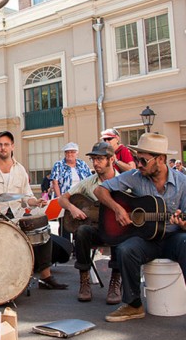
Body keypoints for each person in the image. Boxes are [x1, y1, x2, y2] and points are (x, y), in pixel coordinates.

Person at [94, 133, 186, 322]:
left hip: (173, 238)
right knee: (126, 249)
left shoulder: (183, 183)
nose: (138, 164)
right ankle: (133, 305)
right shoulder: (135, 176)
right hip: (146, 239)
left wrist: (183, 224)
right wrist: (118, 209)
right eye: (136, 159)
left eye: (143, 160)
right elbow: (99, 190)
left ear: (160, 159)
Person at [0, 131, 68, 290]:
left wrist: (35, 201)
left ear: (12, 147)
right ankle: (9, 277)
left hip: (17, 214)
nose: (3, 148)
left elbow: (26, 197)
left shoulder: (20, 170)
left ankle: (46, 276)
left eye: (6, 145)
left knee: (42, 227)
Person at [57, 142, 121, 304]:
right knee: (82, 231)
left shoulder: (123, 181)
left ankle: (115, 281)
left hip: (116, 231)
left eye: (99, 159)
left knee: (121, 231)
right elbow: (63, 198)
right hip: (97, 231)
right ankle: (84, 280)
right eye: (93, 159)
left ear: (111, 159)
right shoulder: (90, 182)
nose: (96, 163)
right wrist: (72, 208)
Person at [51, 142, 93, 240]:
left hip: (80, 199)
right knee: (64, 226)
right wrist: (59, 198)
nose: (70, 154)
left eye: (72, 152)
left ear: (77, 153)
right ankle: (66, 248)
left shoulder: (82, 164)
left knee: (79, 223)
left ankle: (76, 248)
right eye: (67, 152)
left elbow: (89, 179)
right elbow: (55, 182)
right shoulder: (59, 165)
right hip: (65, 197)